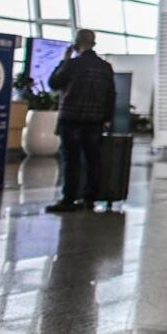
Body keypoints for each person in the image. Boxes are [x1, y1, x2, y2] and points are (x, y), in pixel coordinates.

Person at [45, 29, 114, 213]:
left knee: (71, 160)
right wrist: (107, 118)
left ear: (76, 44)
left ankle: (69, 199)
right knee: (93, 160)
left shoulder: (73, 64)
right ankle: (89, 199)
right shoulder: (105, 67)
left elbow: (53, 84)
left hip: (72, 119)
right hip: (95, 121)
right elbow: (111, 96)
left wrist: (64, 61)